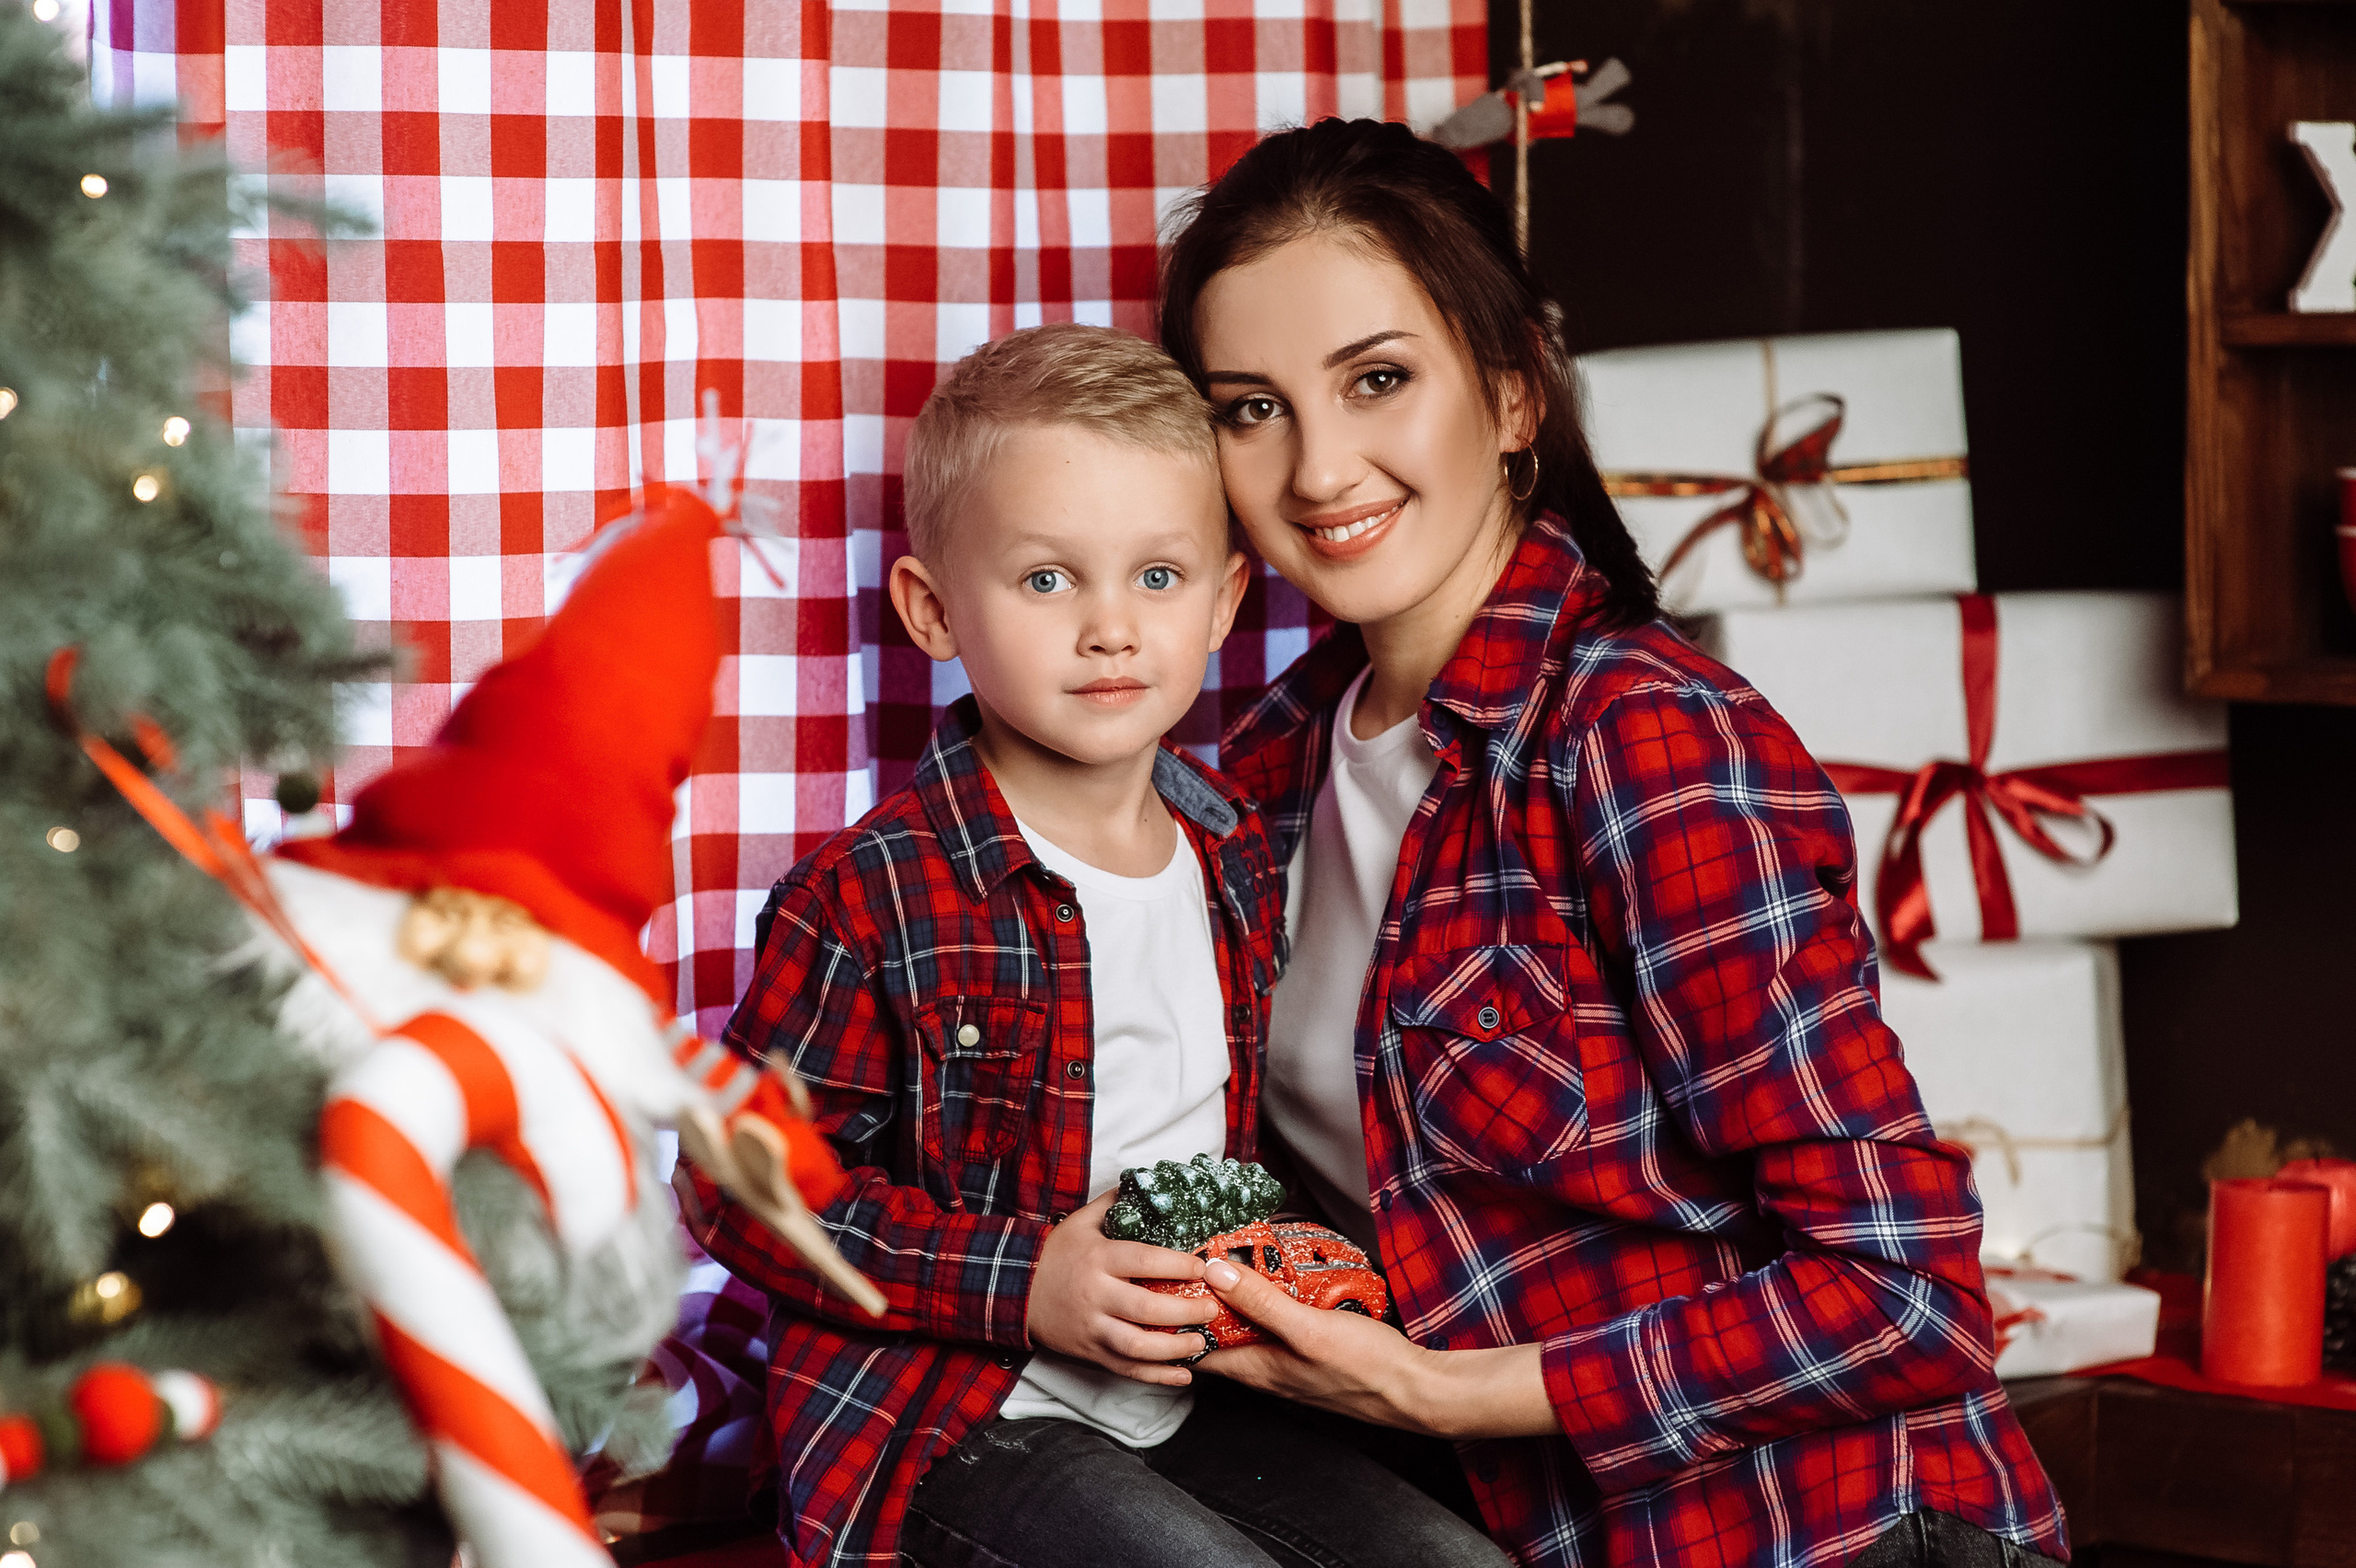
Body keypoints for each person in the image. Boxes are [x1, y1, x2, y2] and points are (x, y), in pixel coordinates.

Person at [1156, 119, 2071, 1568]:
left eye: (1378, 381)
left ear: (1514, 393)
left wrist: (1441, 1390)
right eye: (1251, 407)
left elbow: (1905, 1293)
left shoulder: (1638, 739)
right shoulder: (1253, 783)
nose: (1320, 466)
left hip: (1827, 1536)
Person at [676, 323, 1509, 1568]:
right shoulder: (870, 894)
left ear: (1226, 599)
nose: (1112, 628)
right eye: (1049, 580)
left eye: (1158, 578)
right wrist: (1023, 1283)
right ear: (934, 609)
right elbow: (740, 1189)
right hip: (961, 1420)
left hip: (1192, 1396)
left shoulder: (1234, 857)